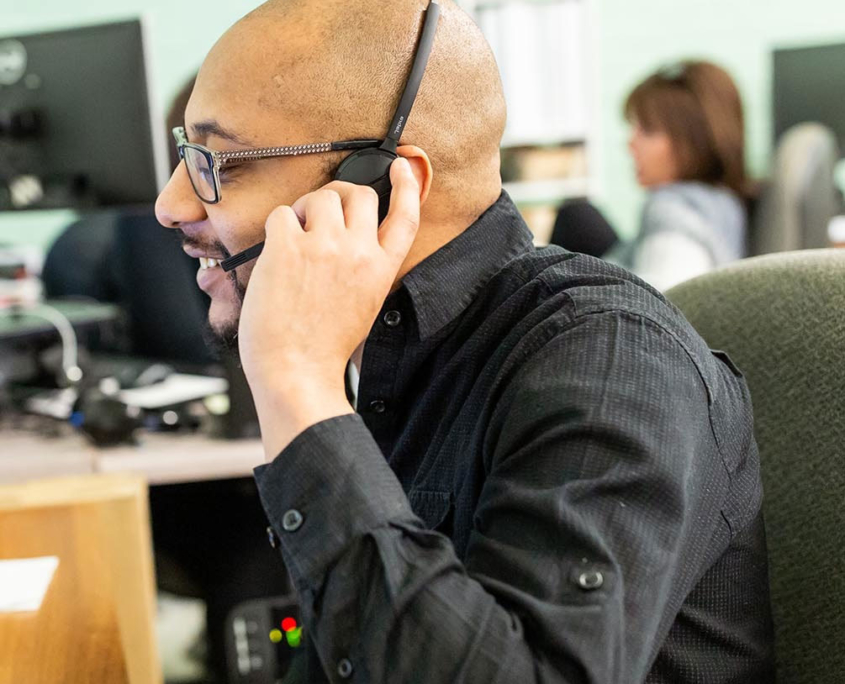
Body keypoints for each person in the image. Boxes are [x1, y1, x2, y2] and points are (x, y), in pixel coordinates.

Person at [155, 1, 775, 681]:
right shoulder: (393, 364)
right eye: (188, 153)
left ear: (383, 186)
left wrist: (296, 382)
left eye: (222, 163)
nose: (172, 204)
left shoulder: (610, 360)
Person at [554, 60, 750, 292]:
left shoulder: (675, 213)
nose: (631, 143)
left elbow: (664, 295)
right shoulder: (721, 201)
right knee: (577, 216)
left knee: (574, 218)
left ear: (692, 141)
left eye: (647, 130)